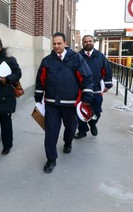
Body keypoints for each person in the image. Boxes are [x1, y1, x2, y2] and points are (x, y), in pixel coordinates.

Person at [34, 32, 94, 174]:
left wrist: (87, 96)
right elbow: (40, 79)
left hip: (70, 104)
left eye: (59, 43)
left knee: (71, 127)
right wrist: (38, 96)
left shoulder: (76, 58)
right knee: (51, 132)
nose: (56, 46)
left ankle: (68, 142)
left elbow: (86, 77)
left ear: (65, 43)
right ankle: (51, 159)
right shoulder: (47, 61)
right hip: (51, 103)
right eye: (54, 44)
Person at [0, 38, 22, 155]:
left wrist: (7, 79)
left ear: (1, 47)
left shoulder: (9, 60)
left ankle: (7, 145)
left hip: (5, 95)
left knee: (5, 120)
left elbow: (18, 73)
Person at [74, 35, 113, 139]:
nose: (88, 43)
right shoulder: (77, 56)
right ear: (82, 43)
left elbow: (107, 70)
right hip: (81, 90)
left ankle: (92, 124)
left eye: (90, 41)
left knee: (97, 111)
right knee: (80, 112)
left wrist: (107, 85)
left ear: (93, 42)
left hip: (96, 89)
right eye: (85, 41)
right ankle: (82, 130)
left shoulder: (100, 56)